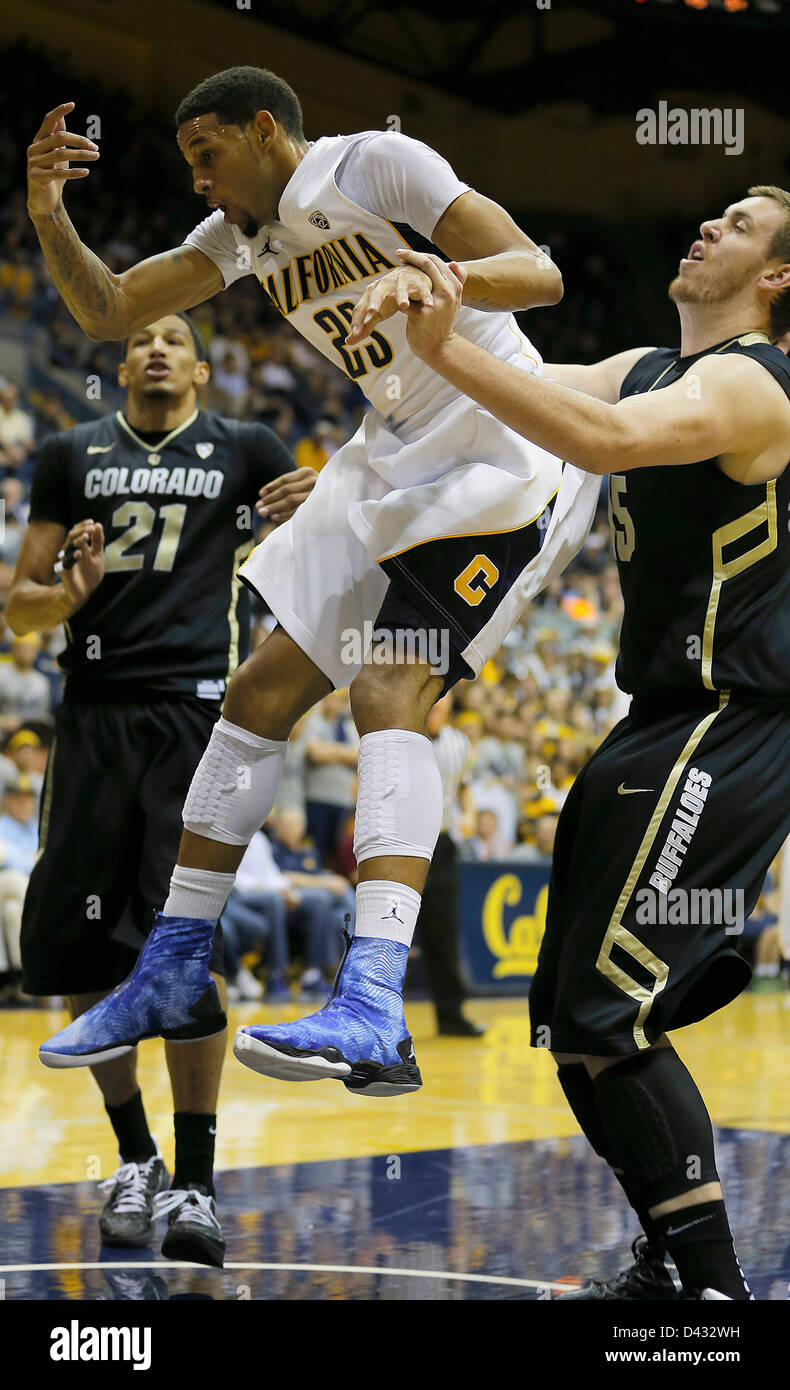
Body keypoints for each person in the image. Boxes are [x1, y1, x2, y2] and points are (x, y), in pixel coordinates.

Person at [29, 66, 600, 1095]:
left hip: (495, 441)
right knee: (254, 695)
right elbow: (110, 309)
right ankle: (170, 965)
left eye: (208, 156)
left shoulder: (376, 164)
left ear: (265, 131)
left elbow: (542, 271)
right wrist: (47, 211)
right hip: (385, 449)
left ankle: (374, 998)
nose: (196, 181)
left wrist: (441, 277)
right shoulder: (237, 241)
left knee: (389, 687)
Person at [389, 188, 790, 1299]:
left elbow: (601, 441)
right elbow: (510, 397)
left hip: (728, 720)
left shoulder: (756, 383)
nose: (706, 223)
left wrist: (439, 333)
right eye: (708, 210)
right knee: (573, 1022)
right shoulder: (646, 365)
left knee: (610, 1012)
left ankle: (715, 1294)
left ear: (777, 278)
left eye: (741, 224)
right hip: (652, 722)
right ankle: (670, 1260)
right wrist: (396, 291)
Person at [8, 309, 313, 1264]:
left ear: (199, 364)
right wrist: (69, 595)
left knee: (180, 954)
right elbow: (19, 608)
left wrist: (314, 507)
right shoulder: (70, 450)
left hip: (194, 721)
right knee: (83, 954)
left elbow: (327, 536)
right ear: (120, 358)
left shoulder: (246, 446)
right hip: (92, 716)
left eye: (174, 337)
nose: (153, 347)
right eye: (139, 336)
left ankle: (197, 1182)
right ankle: (137, 1156)